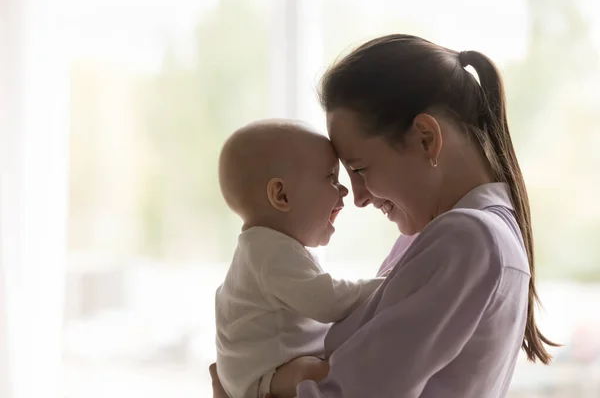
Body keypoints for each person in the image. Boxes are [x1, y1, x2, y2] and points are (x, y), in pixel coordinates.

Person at [211, 33, 558, 398]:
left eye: (359, 169)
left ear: (426, 138)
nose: (356, 198)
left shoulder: (470, 239)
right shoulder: (442, 236)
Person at [215, 119, 384, 398]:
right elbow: (327, 301)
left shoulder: (263, 247)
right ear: (281, 195)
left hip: (257, 376)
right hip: (264, 379)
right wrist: (386, 284)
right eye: (331, 178)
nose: (344, 191)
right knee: (319, 370)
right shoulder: (269, 252)